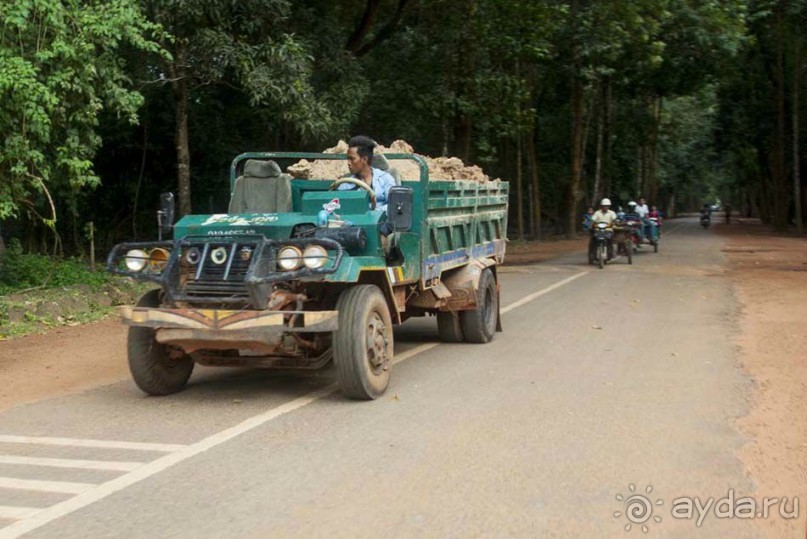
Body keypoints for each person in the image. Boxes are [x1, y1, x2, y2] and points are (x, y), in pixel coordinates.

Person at [338, 135, 396, 212]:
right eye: (348, 159)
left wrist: (376, 212)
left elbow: (394, 205)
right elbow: (340, 208)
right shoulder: (345, 185)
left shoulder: (385, 179)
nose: (348, 163)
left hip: (382, 222)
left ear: (365, 159)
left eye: (352, 159)